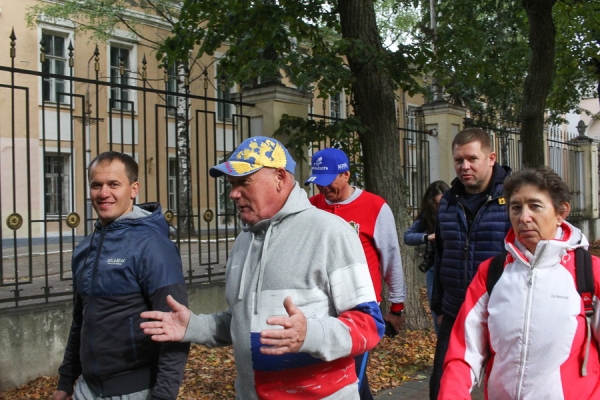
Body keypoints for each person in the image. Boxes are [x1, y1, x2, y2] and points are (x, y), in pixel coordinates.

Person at [140, 136, 385, 400]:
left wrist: (310, 335)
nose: (233, 193)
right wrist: (193, 326)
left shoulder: (331, 232)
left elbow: (369, 324)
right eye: (232, 184)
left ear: (279, 177)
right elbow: (242, 322)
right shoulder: (244, 241)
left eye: (244, 182)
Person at [440, 167, 600, 399]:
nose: (524, 217)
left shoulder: (590, 271)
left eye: (535, 206)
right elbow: (464, 353)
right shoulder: (491, 272)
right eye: (516, 208)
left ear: (561, 212)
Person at [52, 152, 190, 400]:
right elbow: (80, 320)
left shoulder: (154, 246)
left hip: (136, 391)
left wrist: (163, 396)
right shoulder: (85, 249)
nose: (104, 193)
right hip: (87, 389)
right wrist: (65, 381)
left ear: (134, 189)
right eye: (96, 185)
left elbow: (175, 329)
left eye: (113, 184)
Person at [304, 147, 407, 400]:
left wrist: (396, 307)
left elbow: (391, 258)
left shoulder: (375, 207)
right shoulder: (310, 207)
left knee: (352, 377)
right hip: (321, 309)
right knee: (334, 376)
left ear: (346, 175)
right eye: (318, 182)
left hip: (360, 309)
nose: (323, 188)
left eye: (328, 181)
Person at [429, 127, 511, 400]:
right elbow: (442, 254)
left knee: (504, 390)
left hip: (503, 312)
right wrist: (440, 307)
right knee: (442, 387)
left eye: (472, 159)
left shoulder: (513, 197)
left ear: (491, 158)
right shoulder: (448, 202)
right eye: (459, 160)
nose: (464, 166)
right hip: (456, 312)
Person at [403, 180, 449, 335]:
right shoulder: (428, 216)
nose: (439, 207)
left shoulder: (456, 212)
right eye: (436, 204)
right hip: (434, 269)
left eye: (442, 203)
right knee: (437, 313)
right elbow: (408, 237)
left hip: (453, 267)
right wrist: (428, 237)